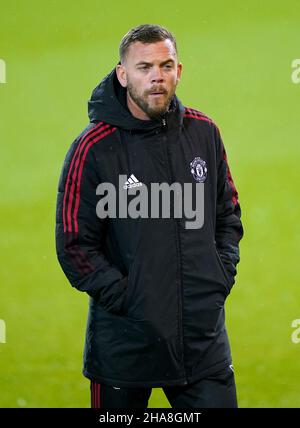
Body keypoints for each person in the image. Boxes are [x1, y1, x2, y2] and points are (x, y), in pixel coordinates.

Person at [55, 24, 244, 408]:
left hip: (201, 344)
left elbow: (228, 214)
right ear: (123, 75)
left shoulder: (204, 133)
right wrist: (131, 298)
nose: (157, 77)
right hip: (125, 347)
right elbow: (74, 243)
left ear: (179, 70)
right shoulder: (92, 148)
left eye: (166, 65)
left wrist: (219, 275)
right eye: (144, 67)